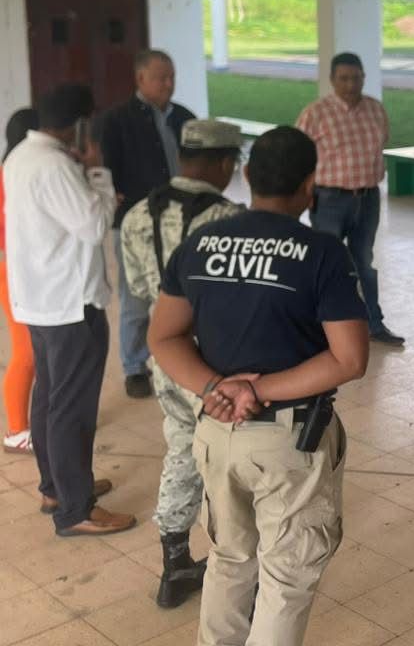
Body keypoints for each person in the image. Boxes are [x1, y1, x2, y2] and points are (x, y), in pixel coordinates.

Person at [149, 125, 369, 646]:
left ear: (246, 175)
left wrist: (216, 388)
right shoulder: (322, 253)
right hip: (286, 440)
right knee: (286, 578)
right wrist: (260, 388)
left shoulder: (200, 244)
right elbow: (350, 358)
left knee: (229, 559)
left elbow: (163, 335)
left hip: (216, 432)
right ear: (310, 184)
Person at [121, 119, 244, 609]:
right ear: (224, 163)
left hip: (166, 358)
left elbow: (137, 288)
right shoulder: (229, 218)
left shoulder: (137, 214)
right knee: (230, 462)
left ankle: (175, 565)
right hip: (215, 363)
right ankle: (237, 568)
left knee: (181, 450)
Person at [4, 83, 136, 536]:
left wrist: (88, 184)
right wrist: (98, 173)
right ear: (80, 124)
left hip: (41, 300)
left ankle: (57, 488)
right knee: (71, 408)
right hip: (69, 304)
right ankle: (76, 510)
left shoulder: (21, 155)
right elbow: (94, 225)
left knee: (50, 398)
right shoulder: (56, 166)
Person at [99, 49, 195, 397]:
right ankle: (135, 367)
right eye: (160, 78)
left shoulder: (184, 118)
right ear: (140, 79)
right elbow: (105, 170)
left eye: (171, 77)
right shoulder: (116, 120)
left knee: (184, 291)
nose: (168, 84)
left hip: (181, 218)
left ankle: (185, 359)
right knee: (135, 295)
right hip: (135, 224)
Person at [296, 51, 402, 346]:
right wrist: (306, 193)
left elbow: (381, 144)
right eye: (343, 79)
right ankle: (318, 328)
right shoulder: (315, 113)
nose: (351, 85)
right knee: (326, 264)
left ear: (364, 78)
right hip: (329, 200)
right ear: (332, 80)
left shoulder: (375, 110)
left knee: (364, 262)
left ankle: (374, 324)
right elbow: (299, 156)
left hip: (367, 199)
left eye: (356, 78)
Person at [2, 107, 39, 454]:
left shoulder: (18, 171)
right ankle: (16, 430)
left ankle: (38, 421)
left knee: (37, 350)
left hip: (23, 269)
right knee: (26, 351)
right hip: (11, 271)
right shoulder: (11, 176)